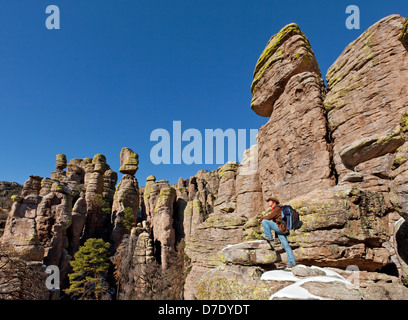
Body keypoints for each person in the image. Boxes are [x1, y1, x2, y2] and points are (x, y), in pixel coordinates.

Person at [258, 196, 296, 268]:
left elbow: (269, 216)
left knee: (265, 221)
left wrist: (261, 219)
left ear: (274, 202)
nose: (268, 203)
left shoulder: (277, 208)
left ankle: (269, 237)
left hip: (281, 228)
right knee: (286, 245)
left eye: (269, 201)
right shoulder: (277, 208)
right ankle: (292, 262)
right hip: (283, 229)